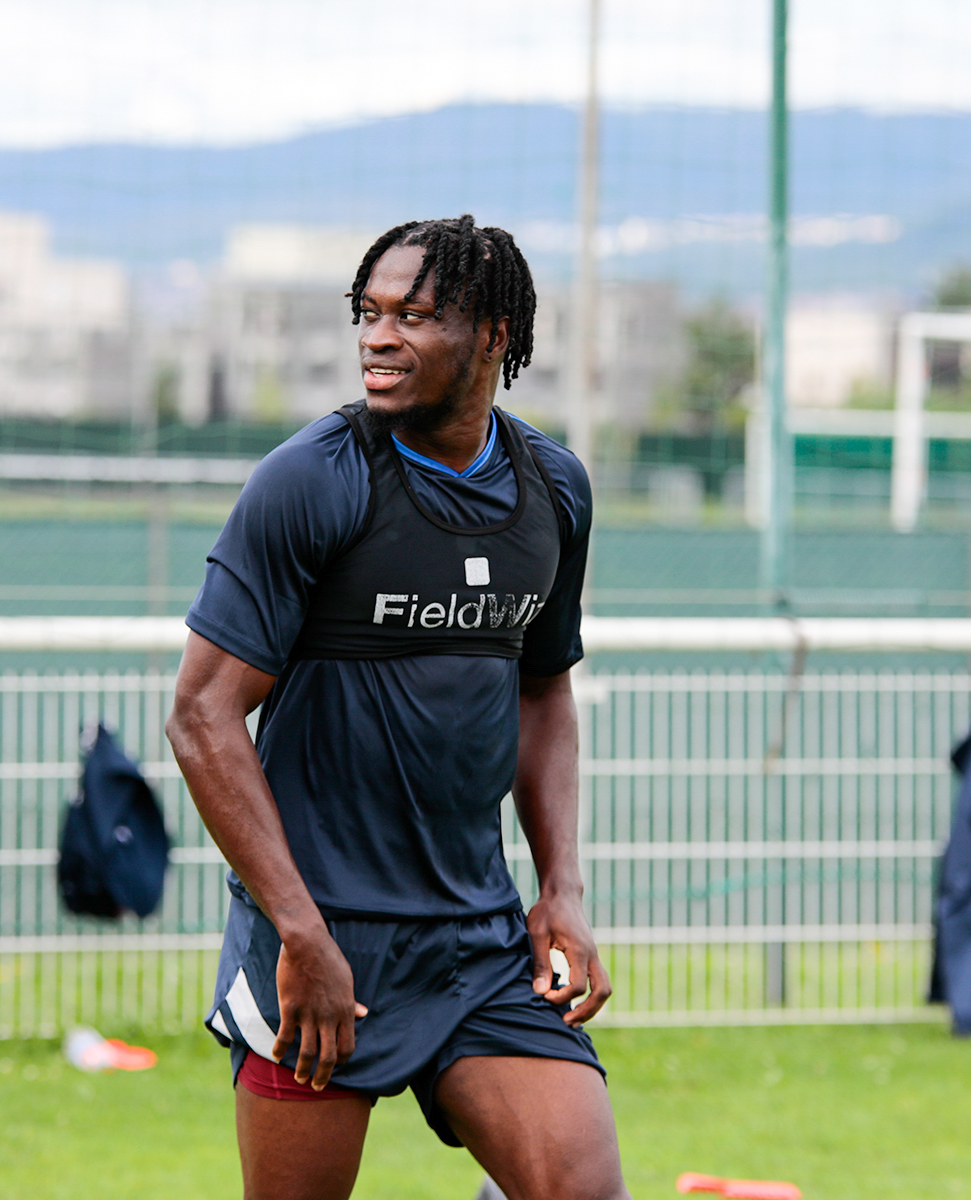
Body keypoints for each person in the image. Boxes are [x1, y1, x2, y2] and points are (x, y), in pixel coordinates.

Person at [166, 216, 629, 1200]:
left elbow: (543, 688)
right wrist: (299, 932)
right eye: (367, 314)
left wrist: (562, 888)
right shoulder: (311, 481)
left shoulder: (552, 490)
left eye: (414, 316)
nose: (378, 336)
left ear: (496, 334)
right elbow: (202, 715)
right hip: (322, 940)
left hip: (479, 939)